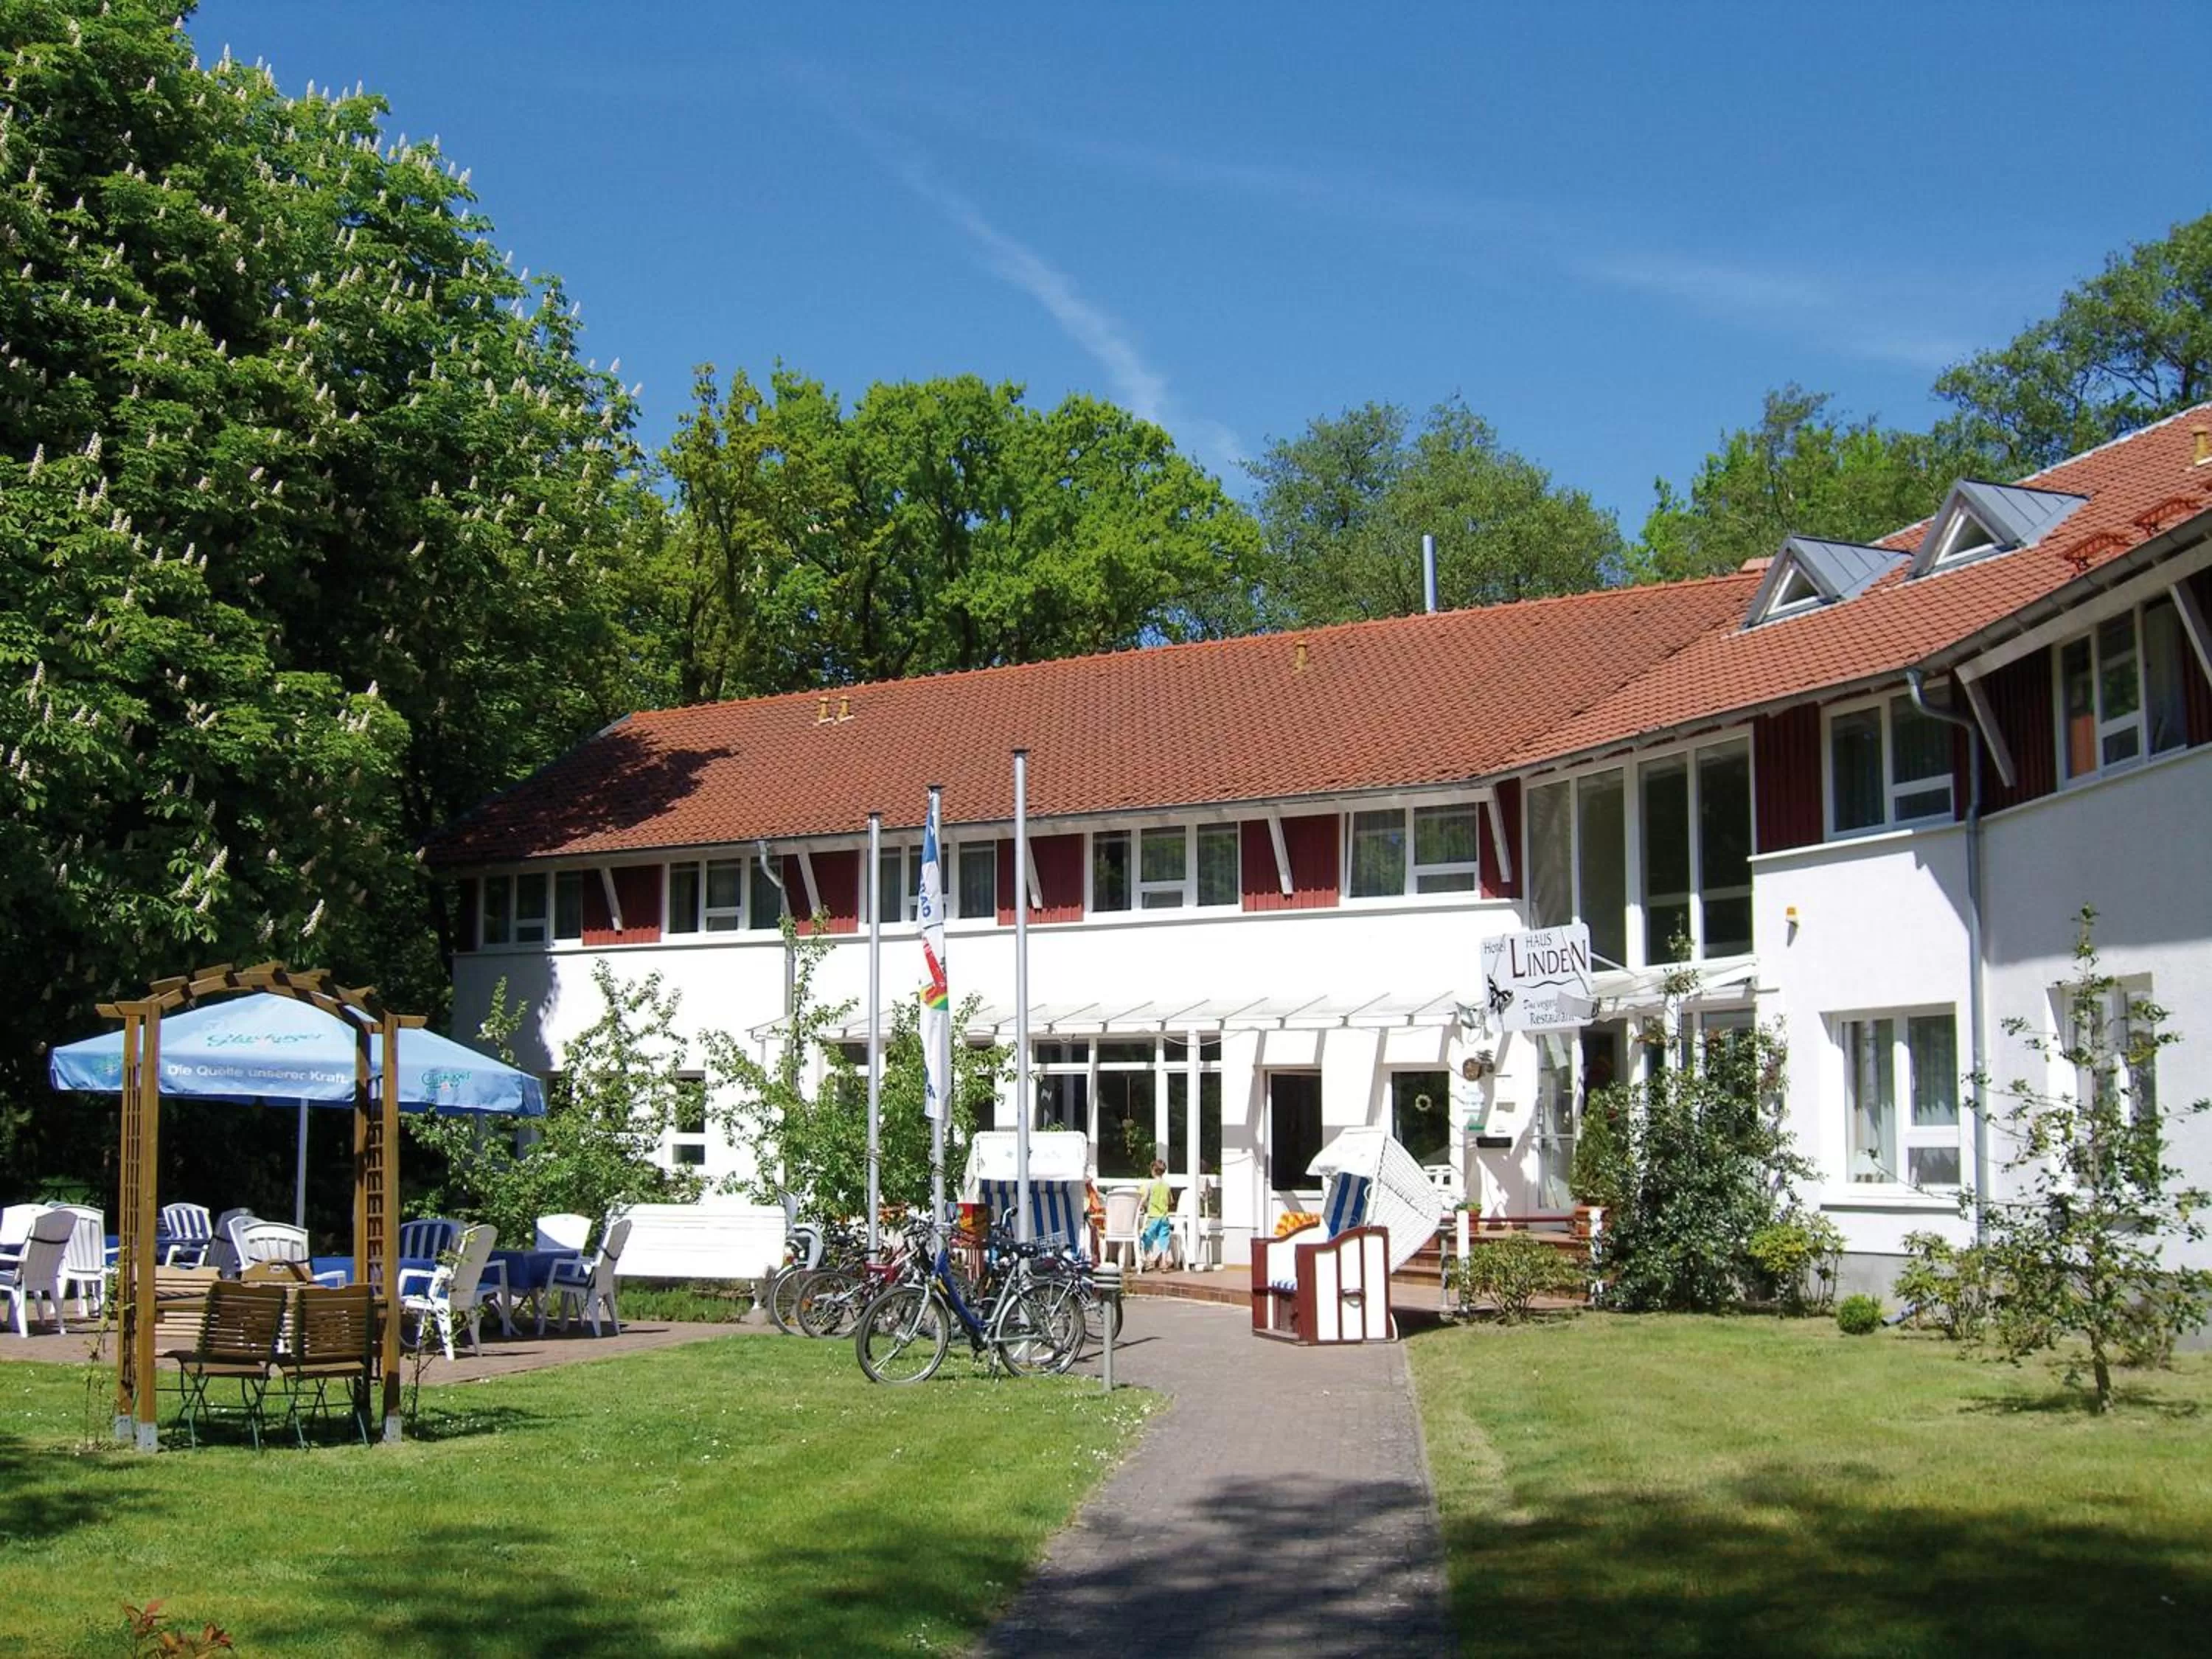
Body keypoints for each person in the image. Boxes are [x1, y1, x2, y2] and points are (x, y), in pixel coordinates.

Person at [1139, 1160, 1176, 1270]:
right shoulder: (1167, 1186)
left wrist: (1140, 1205)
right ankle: (1164, 1262)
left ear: (1153, 1171)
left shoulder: (1150, 1185)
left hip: (1153, 1217)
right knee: (1164, 1240)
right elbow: (1171, 1201)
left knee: (1147, 1238)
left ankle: (1148, 1260)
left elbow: (1145, 1198)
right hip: (1164, 1218)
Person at [1084, 1179, 1106, 1262]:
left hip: (1091, 1219)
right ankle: (1096, 1258)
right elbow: (1096, 1207)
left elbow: (1095, 1207)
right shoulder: (1088, 1190)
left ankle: (1095, 1257)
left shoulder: (1090, 1190)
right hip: (1091, 1220)